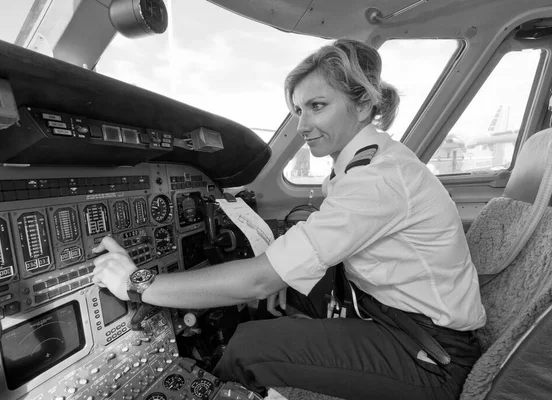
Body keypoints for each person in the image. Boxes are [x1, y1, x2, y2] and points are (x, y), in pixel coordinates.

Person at [92, 38, 486, 400]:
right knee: (283, 291)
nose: (302, 126)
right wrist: (288, 276)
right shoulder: (368, 164)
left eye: (318, 106)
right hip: (391, 312)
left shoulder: (377, 180)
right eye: (298, 110)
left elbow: (261, 277)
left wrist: (137, 283)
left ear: (363, 105)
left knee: (248, 346)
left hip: (431, 356)